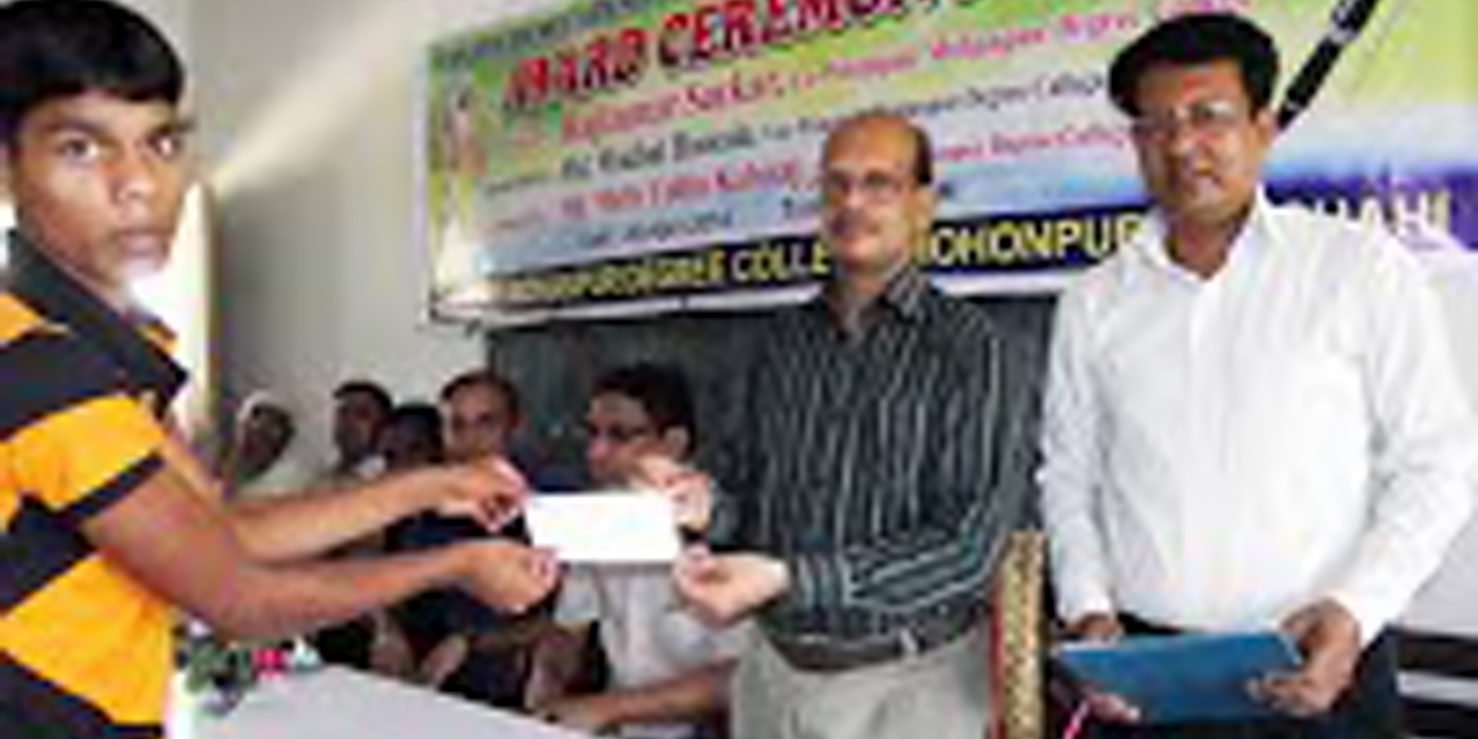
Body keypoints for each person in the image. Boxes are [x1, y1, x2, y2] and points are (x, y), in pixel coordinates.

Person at [0, 2, 558, 735]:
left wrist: (435, 485)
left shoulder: (98, 350)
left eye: (162, 142)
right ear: (6, 168)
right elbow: (238, 595)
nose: (138, 183)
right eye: (80, 148)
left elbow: (217, 526)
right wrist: (452, 565)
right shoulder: (39, 368)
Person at [1037, 12, 1477, 737]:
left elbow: (1437, 463)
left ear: (1264, 128)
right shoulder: (1094, 300)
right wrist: (1088, 612)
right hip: (1146, 681)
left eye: (1208, 116)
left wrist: (1355, 610)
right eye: (1156, 125)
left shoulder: (1358, 268)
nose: (1182, 145)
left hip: (1321, 666)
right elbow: (1068, 473)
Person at [647, 112, 1038, 739]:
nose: (852, 202)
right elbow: (744, 499)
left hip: (913, 686)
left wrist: (790, 578)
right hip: (772, 676)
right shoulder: (778, 345)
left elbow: (968, 549)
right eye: (836, 183)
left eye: (879, 183)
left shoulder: (974, 350)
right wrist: (702, 505)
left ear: (923, 205)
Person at [528, 362, 748, 738]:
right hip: (620, 723)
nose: (596, 451)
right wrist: (545, 687)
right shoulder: (595, 516)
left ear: (673, 443)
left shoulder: (727, 528)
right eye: (591, 432)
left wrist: (605, 709)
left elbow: (736, 677)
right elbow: (568, 630)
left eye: (619, 435)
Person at [221, 390, 317, 500]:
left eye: (266, 435)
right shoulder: (226, 468)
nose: (255, 441)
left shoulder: (289, 480)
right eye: (249, 430)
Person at [323, 378, 392, 484]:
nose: (349, 421)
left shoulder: (386, 481)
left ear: (384, 428)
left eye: (362, 414)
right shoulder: (324, 478)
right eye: (344, 411)